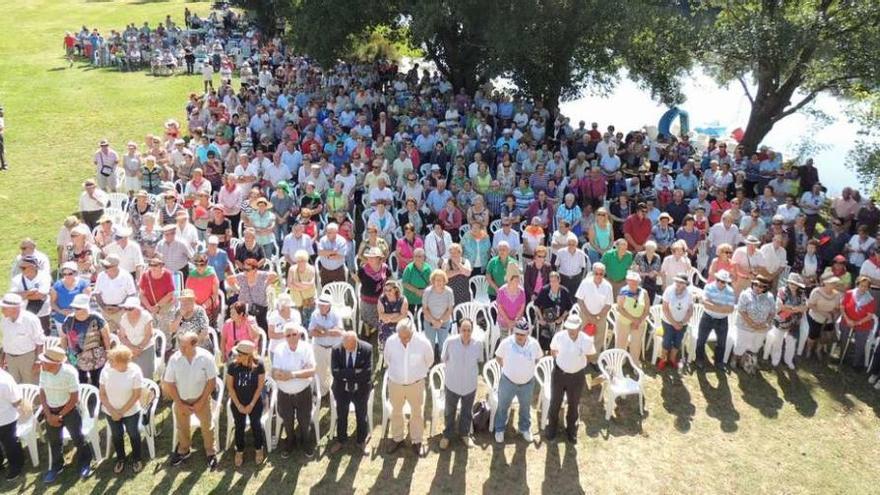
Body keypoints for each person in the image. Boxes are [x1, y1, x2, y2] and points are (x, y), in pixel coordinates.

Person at [163, 331, 219, 470]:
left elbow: (211, 382)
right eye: (180, 345)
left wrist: (201, 401)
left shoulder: (206, 357)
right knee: (182, 427)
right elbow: (169, 383)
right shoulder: (174, 359)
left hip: (202, 398)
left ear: (194, 345)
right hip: (181, 399)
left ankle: (210, 451)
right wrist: (179, 403)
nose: (180, 349)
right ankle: (184, 449)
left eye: (184, 346)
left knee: (207, 426)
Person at [39, 346, 92, 483]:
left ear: (55, 363)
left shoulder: (69, 373)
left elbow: (74, 398)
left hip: (69, 410)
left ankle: (85, 463)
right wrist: (49, 415)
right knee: (54, 441)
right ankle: (57, 467)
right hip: (50, 410)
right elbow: (42, 393)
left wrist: (60, 415)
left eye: (44, 361)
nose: (41, 363)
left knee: (78, 439)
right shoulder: (44, 370)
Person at [383, 318, 433, 456]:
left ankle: (416, 440)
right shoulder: (391, 342)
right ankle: (397, 438)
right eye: (401, 337)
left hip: (416, 385)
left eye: (407, 337)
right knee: (396, 411)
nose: (404, 340)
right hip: (395, 384)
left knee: (417, 412)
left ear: (413, 331)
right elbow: (387, 359)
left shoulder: (423, 343)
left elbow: (430, 361)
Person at [546, 314, 593, 442]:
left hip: (577, 376)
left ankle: (571, 430)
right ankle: (552, 427)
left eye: (574, 328)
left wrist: (578, 365)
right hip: (559, 374)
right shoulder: (559, 336)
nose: (571, 331)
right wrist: (561, 362)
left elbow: (590, 355)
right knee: (555, 402)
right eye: (569, 328)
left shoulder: (587, 340)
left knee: (574, 403)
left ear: (579, 327)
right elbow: (553, 350)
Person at [494, 319, 542, 443]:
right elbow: (498, 357)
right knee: (502, 406)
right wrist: (509, 369)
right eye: (517, 334)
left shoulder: (534, 344)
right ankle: (499, 429)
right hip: (508, 382)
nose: (520, 337)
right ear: (514, 333)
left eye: (522, 334)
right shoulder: (506, 343)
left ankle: (524, 428)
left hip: (527, 383)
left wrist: (525, 369)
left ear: (527, 334)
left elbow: (537, 359)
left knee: (525, 407)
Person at [272, 324, 316, 459]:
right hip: (284, 394)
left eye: (294, 334)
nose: (291, 337)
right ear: (285, 337)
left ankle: (306, 442)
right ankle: (290, 442)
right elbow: (274, 372)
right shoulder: (279, 349)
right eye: (288, 335)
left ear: (299, 334)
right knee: (287, 420)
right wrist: (301, 372)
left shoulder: (306, 348)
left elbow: (312, 371)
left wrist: (291, 375)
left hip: (303, 392)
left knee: (304, 420)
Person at [439, 318, 483, 449]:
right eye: (463, 330)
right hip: (452, 384)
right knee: (449, 411)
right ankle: (447, 435)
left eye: (469, 330)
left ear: (472, 331)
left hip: (469, 385)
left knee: (466, 411)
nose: (466, 333)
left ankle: (464, 434)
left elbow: (479, 360)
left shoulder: (478, 344)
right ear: (459, 329)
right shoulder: (450, 342)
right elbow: (444, 358)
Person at [99, 346, 144, 474]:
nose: (109, 362)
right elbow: (102, 394)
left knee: (133, 434)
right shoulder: (106, 371)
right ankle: (120, 459)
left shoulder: (135, 371)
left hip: (131, 411)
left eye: (112, 360)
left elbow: (136, 395)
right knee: (117, 435)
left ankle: (137, 458)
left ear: (122, 361)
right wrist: (112, 411)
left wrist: (121, 411)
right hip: (110, 412)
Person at [328, 330, 373, 455]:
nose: (346, 350)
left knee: (361, 414)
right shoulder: (337, 349)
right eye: (345, 347)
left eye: (349, 348)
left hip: (361, 389)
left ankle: (361, 440)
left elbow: (368, 373)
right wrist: (355, 372)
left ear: (355, 343)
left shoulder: (367, 349)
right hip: (342, 389)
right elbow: (335, 372)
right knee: (341, 414)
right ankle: (341, 440)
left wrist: (345, 373)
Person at [226, 340, 267, 466]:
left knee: (256, 425)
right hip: (238, 402)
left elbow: (260, 387)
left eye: (238, 354)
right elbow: (230, 388)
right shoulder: (232, 366)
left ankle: (259, 448)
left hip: (254, 402)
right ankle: (239, 450)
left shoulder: (259, 365)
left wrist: (251, 405)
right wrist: (239, 405)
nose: (235, 357)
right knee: (239, 426)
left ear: (247, 355)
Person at [60, 293, 111, 386]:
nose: (75, 310)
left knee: (97, 381)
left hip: (96, 358)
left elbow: (106, 336)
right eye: (74, 307)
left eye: (78, 308)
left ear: (85, 308)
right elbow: (63, 337)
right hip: (75, 358)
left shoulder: (96, 318)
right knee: (79, 382)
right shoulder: (69, 319)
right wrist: (65, 353)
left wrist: (108, 352)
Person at [695, 270, 736, 371]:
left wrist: (713, 305)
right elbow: (705, 302)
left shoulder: (730, 291)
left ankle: (718, 362)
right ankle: (699, 360)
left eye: (723, 281)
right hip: (708, 317)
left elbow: (730, 309)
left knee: (721, 343)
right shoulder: (709, 287)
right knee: (701, 340)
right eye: (719, 280)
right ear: (716, 279)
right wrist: (722, 307)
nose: (721, 283)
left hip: (722, 319)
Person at [732, 276, 776, 371]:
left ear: (766, 288)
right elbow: (741, 310)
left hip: (762, 328)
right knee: (740, 344)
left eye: (761, 286)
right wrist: (752, 324)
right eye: (755, 284)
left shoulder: (770, 297)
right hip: (744, 326)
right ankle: (735, 359)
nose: (757, 287)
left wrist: (764, 323)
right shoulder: (745, 294)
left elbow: (772, 312)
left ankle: (748, 363)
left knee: (756, 346)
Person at [0, 293, 45, 384]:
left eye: (4, 308)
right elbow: (6, 340)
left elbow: (40, 342)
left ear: (15, 309)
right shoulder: (4, 320)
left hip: (28, 358)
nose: (2, 310)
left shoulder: (31, 320)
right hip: (10, 358)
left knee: (31, 385)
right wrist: (2, 358)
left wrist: (38, 361)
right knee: (14, 386)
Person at [765, 274, 807, 370]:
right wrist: (796, 309)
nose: (793, 285)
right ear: (788, 282)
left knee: (791, 342)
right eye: (792, 283)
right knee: (778, 341)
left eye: (795, 284)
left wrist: (790, 308)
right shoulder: (782, 291)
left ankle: (788, 360)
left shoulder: (801, 293)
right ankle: (775, 358)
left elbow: (805, 307)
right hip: (782, 321)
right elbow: (780, 306)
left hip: (795, 322)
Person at [575, 263, 614, 364]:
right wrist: (589, 316)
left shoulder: (608, 286)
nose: (598, 276)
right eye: (596, 273)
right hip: (585, 314)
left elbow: (608, 304)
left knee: (598, 338)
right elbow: (580, 300)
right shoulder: (585, 283)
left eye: (601, 274)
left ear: (604, 274)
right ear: (593, 273)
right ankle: (581, 358)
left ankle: (594, 360)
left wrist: (598, 316)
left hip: (600, 316)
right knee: (582, 336)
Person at [226, 258, 277, 334]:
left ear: (255, 270)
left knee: (262, 327)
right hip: (245, 308)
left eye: (247, 270)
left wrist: (267, 284)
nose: (245, 272)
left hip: (261, 307)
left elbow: (274, 275)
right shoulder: (241, 276)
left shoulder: (261, 275)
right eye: (244, 269)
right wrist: (237, 289)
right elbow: (229, 279)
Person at [838, 276, 877, 370]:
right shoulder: (849, 293)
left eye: (866, 286)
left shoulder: (871, 299)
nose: (863, 288)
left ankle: (856, 363)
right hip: (847, 320)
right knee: (843, 338)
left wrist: (857, 323)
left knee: (860, 343)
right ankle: (843, 357)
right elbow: (842, 307)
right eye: (861, 285)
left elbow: (869, 316)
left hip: (862, 324)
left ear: (868, 288)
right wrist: (847, 319)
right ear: (857, 285)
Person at [308, 295, 344, 398]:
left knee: (336, 370)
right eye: (319, 305)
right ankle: (323, 392)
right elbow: (311, 332)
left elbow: (339, 332)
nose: (321, 308)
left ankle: (337, 391)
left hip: (333, 347)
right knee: (320, 371)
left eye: (323, 306)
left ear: (329, 306)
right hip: (319, 347)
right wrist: (330, 331)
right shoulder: (315, 314)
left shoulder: (336, 314)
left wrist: (322, 330)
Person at [659, 274, 694, 371]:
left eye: (681, 282)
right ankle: (663, 359)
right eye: (677, 281)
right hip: (668, 322)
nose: (678, 284)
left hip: (682, 323)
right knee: (666, 341)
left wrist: (682, 322)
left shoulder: (689, 294)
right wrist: (674, 323)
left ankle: (672, 359)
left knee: (677, 342)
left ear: (685, 284)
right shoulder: (669, 290)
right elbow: (665, 308)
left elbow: (690, 310)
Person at [615, 271, 650, 365]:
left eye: (635, 281)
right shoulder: (623, 292)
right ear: (627, 281)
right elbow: (619, 308)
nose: (633, 283)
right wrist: (633, 319)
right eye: (631, 280)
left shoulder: (644, 292)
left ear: (639, 282)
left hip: (639, 323)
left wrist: (638, 321)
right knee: (621, 343)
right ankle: (620, 361)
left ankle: (634, 363)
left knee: (636, 344)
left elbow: (647, 309)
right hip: (623, 321)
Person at [117, 297, 155, 379]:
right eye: (125, 308)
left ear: (138, 309)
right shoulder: (124, 318)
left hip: (146, 348)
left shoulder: (146, 316)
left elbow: (149, 335)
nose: (127, 311)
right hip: (129, 349)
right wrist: (132, 348)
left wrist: (139, 348)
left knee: (146, 376)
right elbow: (122, 337)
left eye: (130, 308)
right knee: (130, 376)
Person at [805, 276, 842, 360]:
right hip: (815, 317)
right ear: (825, 283)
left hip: (829, 320)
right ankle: (809, 350)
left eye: (835, 283)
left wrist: (834, 313)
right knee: (812, 336)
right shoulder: (816, 291)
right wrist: (823, 313)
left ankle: (818, 350)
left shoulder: (837, 295)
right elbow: (810, 305)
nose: (834, 284)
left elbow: (837, 308)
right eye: (832, 283)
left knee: (825, 337)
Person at [356, 248, 391, 336]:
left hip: (380, 298)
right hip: (366, 298)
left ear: (379, 258)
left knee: (381, 315)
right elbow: (358, 279)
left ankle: (377, 328)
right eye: (369, 257)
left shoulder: (385, 268)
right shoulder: (363, 270)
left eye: (373, 257)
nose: (370, 259)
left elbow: (389, 279)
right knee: (366, 316)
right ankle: (367, 333)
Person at [422, 270, 455, 357]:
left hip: (444, 322)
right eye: (436, 280)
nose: (439, 282)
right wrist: (433, 321)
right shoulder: (427, 291)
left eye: (441, 280)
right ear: (433, 281)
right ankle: (430, 362)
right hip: (429, 322)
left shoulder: (449, 292)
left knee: (443, 344)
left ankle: (442, 361)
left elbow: (450, 309)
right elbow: (425, 309)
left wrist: (440, 321)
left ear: (445, 281)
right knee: (430, 344)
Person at [0, 365, 23, 481]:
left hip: (7, 419)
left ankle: (16, 466)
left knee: (10, 444)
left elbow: (17, 401)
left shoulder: (4, 380)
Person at [496, 266, 527, 334]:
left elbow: (522, 307)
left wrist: (515, 320)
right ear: (509, 280)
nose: (517, 283)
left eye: (518, 280)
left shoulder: (521, 291)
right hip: (503, 320)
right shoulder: (501, 291)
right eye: (515, 281)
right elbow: (499, 307)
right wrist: (508, 321)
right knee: (504, 338)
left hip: (517, 320)